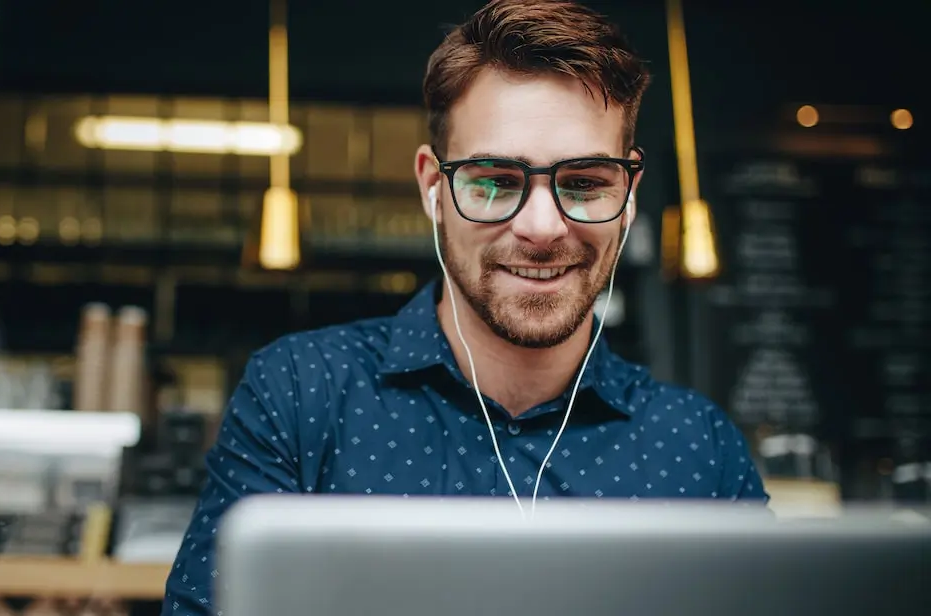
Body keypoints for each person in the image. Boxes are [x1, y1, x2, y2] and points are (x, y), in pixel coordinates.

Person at [163, 1, 767, 613]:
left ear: (630, 195)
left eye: (585, 183)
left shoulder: (698, 448)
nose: (542, 227)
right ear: (434, 189)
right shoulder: (300, 396)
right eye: (495, 181)